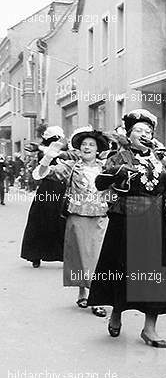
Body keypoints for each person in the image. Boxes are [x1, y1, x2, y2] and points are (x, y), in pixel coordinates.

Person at [87, 109, 166, 348]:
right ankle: (117, 312)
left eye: (148, 131)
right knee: (122, 269)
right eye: (138, 130)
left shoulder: (160, 158)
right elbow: (99, 183)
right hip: (126, 220)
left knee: (155, 274)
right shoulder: (119, 156)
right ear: (129, 134)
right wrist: (118, 172)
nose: (144, 134)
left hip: (155, 223)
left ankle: (150, 328)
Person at [33, 127, 111, 317]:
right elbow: (42, 174)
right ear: (79, 148)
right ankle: (82, 292)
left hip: (101, 216)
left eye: (91, 145)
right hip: (77, 216)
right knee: (79, 256)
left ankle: (96, 298)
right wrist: (47, 157)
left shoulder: (106, 167)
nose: (87, 147)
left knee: (97, 257)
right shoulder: (71, 166)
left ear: (98, 149)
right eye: (84, 144)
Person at [20, 126, 69, 268]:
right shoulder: (49, 153)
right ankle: (43, 254)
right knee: (55, 220)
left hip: (51, 189)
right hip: (53, 188)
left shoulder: (53, 152)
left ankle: (37, 254)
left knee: (44, 220)